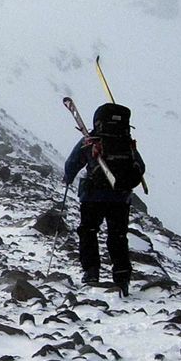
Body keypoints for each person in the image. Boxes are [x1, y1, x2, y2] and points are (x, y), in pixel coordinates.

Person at [63, 102, 146, 296]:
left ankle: (91, 273)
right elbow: (140, 166)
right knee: (117, 237)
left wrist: (68, 178)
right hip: (121, 197)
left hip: (93, 196)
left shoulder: (91, 140)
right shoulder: (126, 142)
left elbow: (72, 163)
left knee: (88, 231)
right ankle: (122, 278)